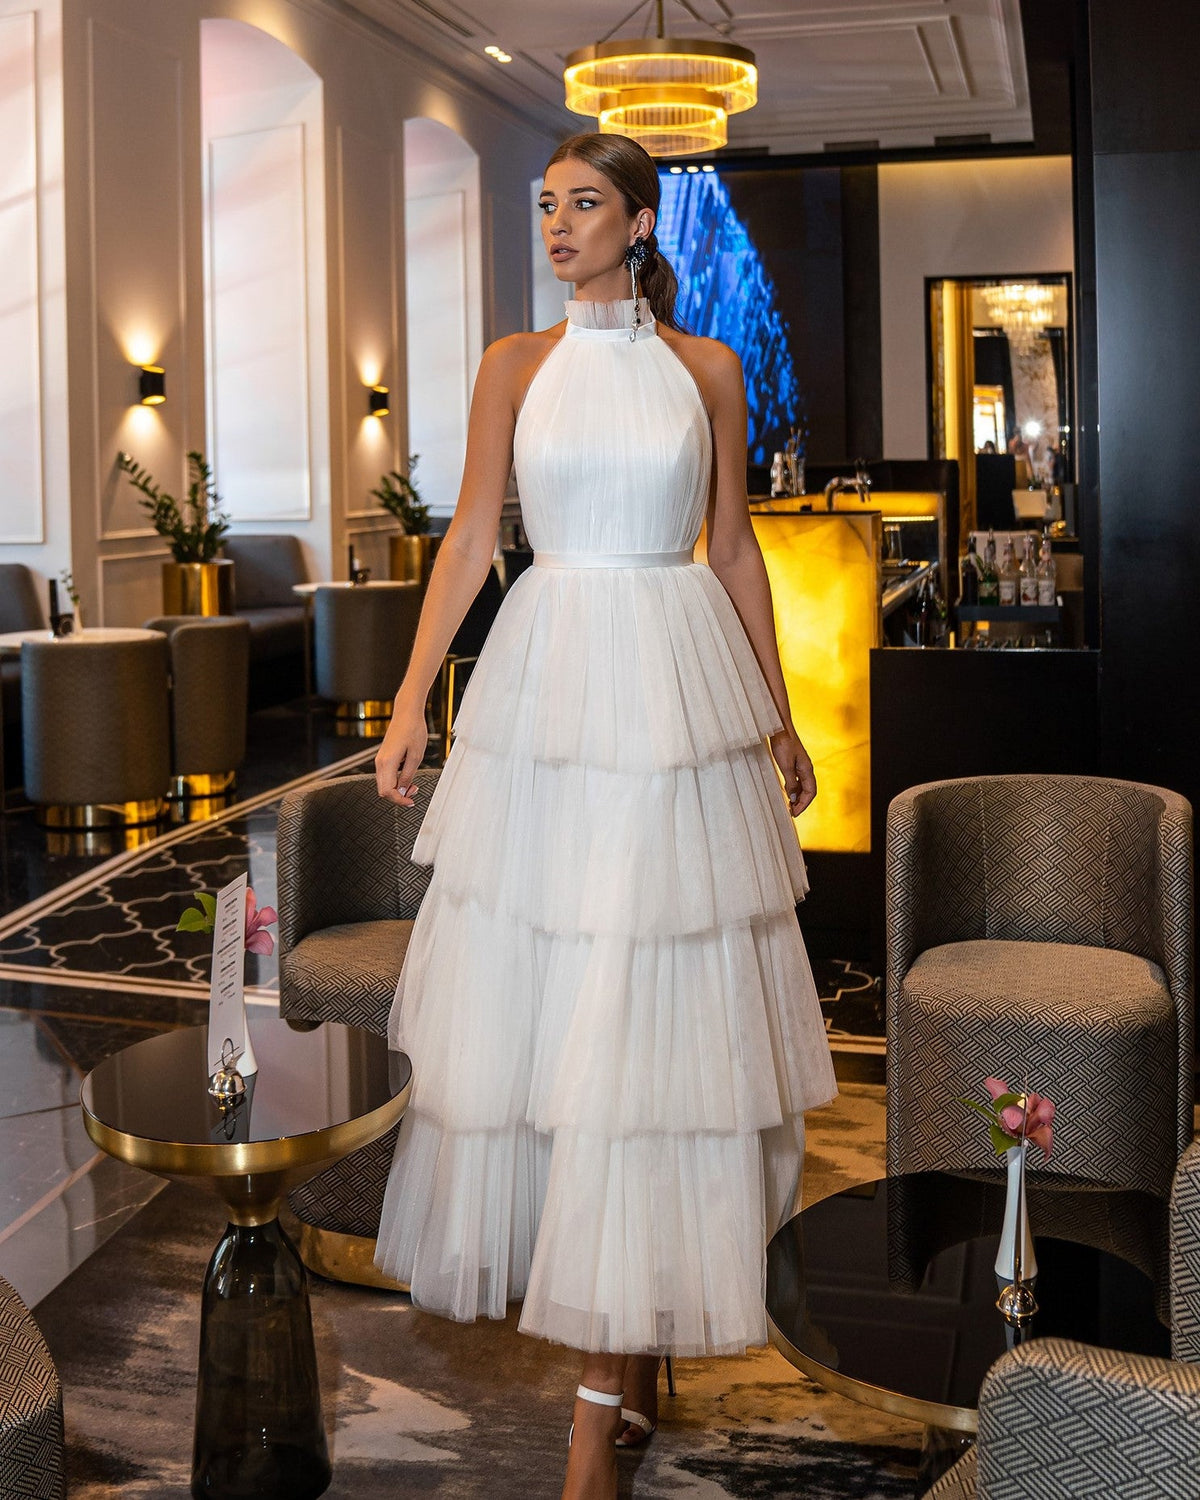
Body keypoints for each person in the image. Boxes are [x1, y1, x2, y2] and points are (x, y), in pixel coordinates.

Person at [371, 131, 837, 1500]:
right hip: (549, 695)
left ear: (638, 223)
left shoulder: (709, 369)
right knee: (560, 1022)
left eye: (584, 204)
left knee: (654, 1026)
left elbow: (733, 548)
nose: (557, 224)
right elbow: (471, 540)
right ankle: (620, 1368)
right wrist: (409, 701)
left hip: (676, 694)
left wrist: (777, 712)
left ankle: (603, 1408)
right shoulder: (513, 365)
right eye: (546, 205)